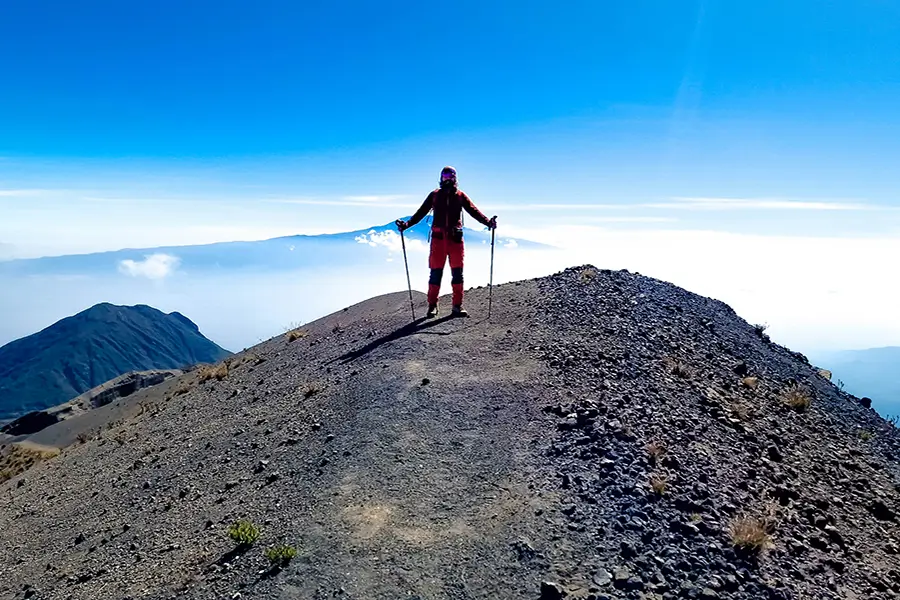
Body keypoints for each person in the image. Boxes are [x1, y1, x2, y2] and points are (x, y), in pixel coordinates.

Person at [396, 166, 497, 318]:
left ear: (455, 178)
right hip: (440, 240)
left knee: (457, 274)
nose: (447, 179)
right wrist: (406, 225)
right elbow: (421, 213)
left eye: (450, 176)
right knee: (436, 274)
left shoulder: (460, 196)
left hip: (454, 240)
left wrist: (488, 222)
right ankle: (433, 305)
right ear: (441, 178)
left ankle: (456, 306)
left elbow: (473, 211)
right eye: (445, 176)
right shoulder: (435, 195)